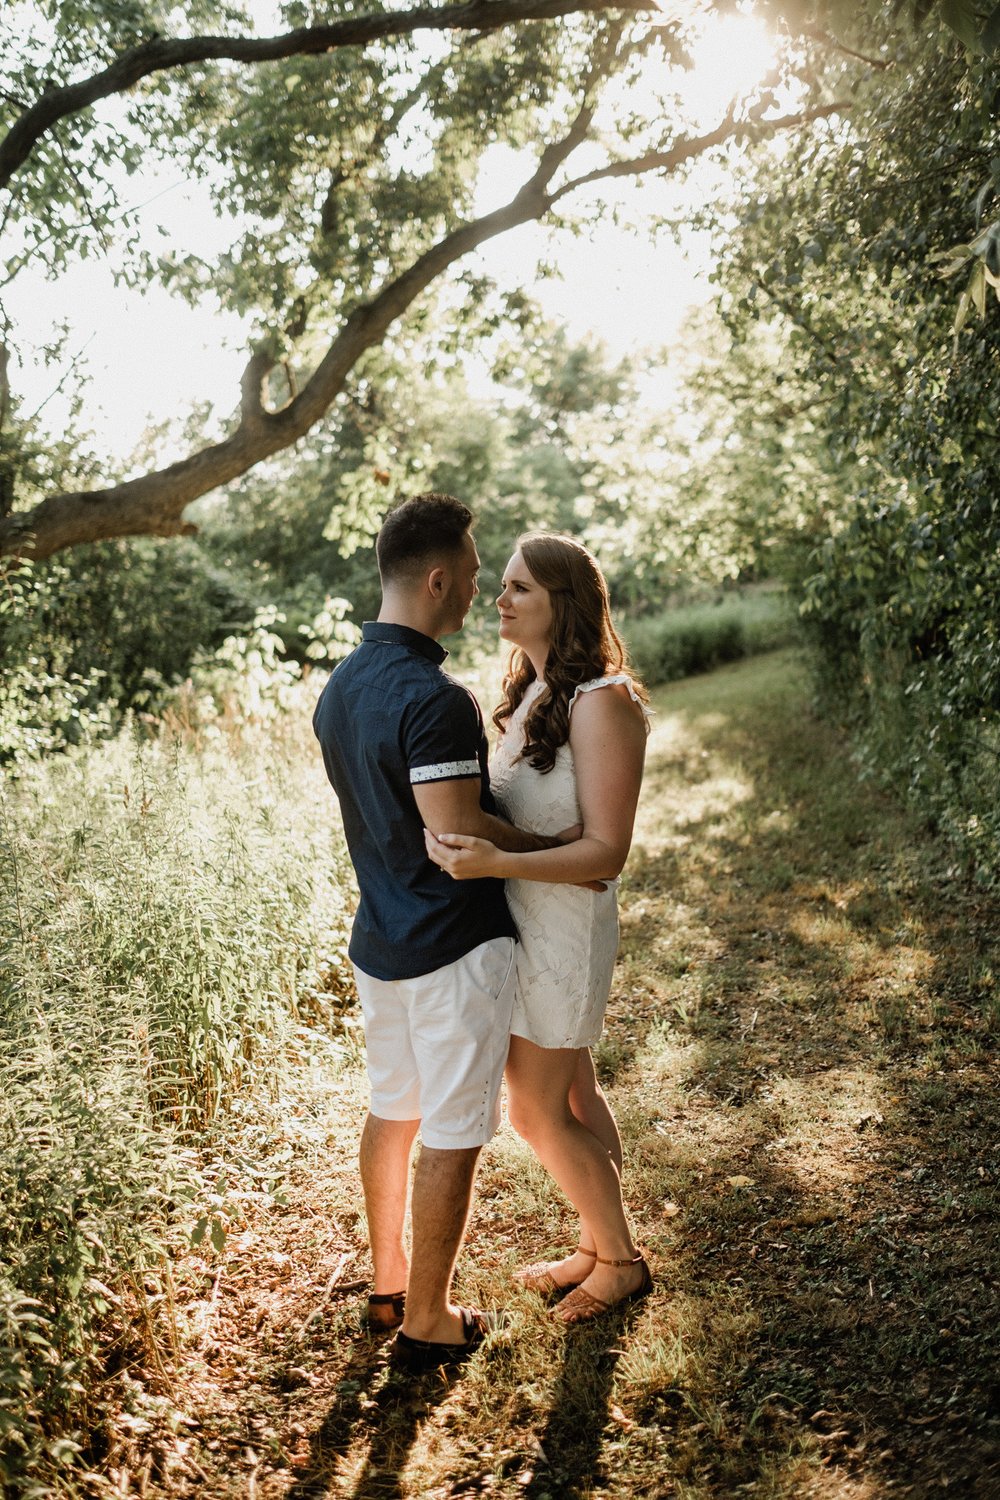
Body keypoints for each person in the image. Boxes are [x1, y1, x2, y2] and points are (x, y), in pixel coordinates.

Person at [312, 495, 579, 1374]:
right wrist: (553, 846)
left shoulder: (341, 685)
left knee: (394, 1107)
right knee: (454, 1129)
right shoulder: (434, 698)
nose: (475, 597)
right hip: (451, 947)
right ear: (435, 580)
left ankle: (388, 1283)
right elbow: (456, 833)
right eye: (469, 579)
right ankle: (428, 1315)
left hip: (380, 940)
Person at [425, 531, 653, 1324]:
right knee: (577, 1094)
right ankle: (597, 1244)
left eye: (520, 587)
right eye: (505, 585)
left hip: (563, 931)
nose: (501, 599)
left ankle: (621, 1263)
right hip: (523, 922)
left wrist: (492, 863)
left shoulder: (603, 701)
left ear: (564, 602)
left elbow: (603, 854)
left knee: (535, 1110)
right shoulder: (531, 695)